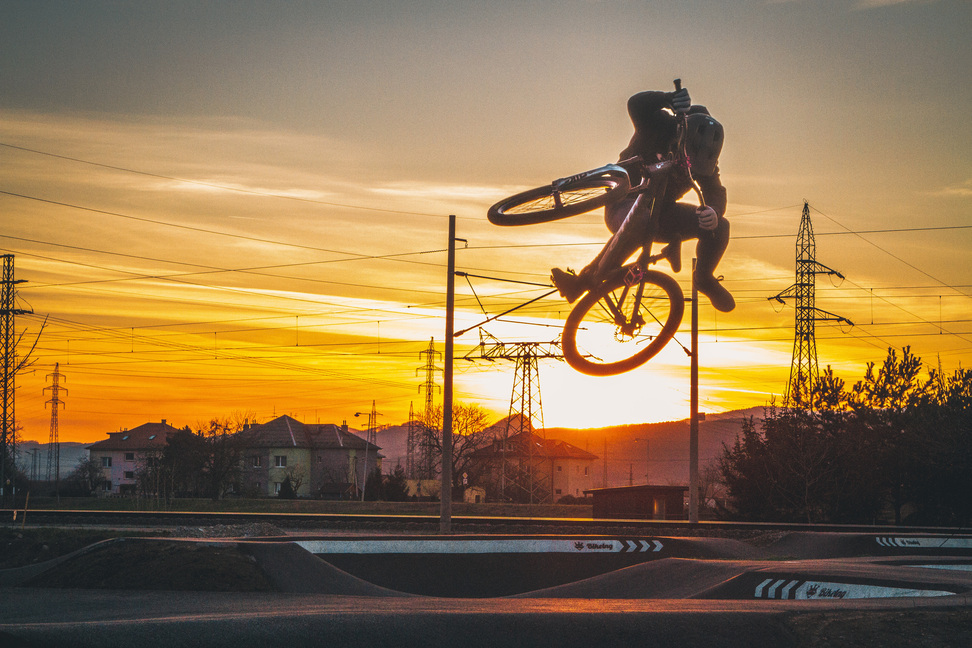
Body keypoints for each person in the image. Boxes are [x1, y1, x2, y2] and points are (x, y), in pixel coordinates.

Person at [550, 85, 735, 313]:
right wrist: (669, 98)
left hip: (662, 214)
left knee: (721, 227)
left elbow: (716, 192)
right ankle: (585, 281)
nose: (686, 162)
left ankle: (704, 278)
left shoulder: (705, 161)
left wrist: (714, 212)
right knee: (641, 217)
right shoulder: (659, 126)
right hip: (624, 203)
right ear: (680, 134)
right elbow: (636, 104)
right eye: (684, 154)